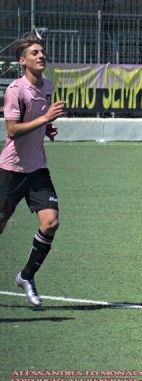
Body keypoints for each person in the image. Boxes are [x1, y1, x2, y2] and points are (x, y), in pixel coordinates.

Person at [0, 34, 65, 307]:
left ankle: (26, 276)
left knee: (51, 222)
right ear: (22, 61)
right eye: (35, 53)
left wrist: (47, 128)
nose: (41, 56)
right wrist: (45, 118)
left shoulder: (47, 86)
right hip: (11, 170)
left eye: (42, 52)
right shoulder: (15, 90)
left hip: (37, 168)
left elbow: (36, 121)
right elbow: (13, 131)